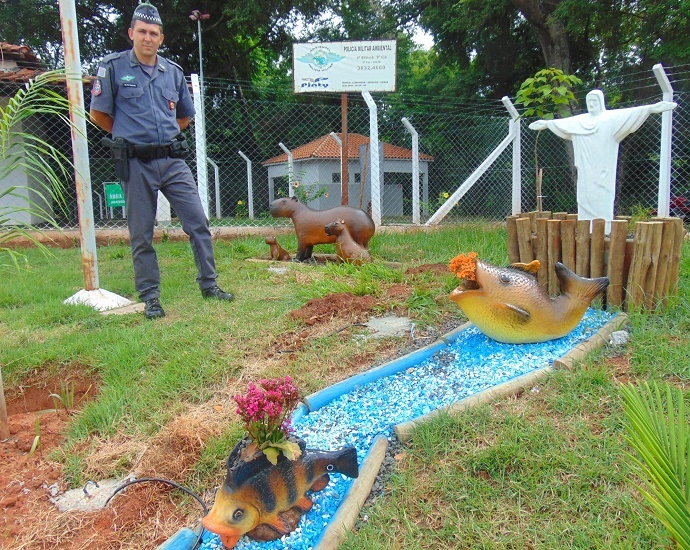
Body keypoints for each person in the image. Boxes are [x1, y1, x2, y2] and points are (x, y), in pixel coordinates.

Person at [90, 3, 234, 319]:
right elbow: (98, 113)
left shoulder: (174, 72)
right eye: (141, 31)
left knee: (198, 223)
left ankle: (209, 285)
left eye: (153, 33)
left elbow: (184, 115)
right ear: (131, 33)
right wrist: (128, 136)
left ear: (161, 37)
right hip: (136, 164)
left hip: (172, 161)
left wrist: (163, 138)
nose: (147, 38)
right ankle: (151, 298)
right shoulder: (113, 68)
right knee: (141, 234)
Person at [529, 89, 676, 233]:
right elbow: (564, 123)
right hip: (585, 170)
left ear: (600, 102)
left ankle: (603, 229)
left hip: (603, 169)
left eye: (594, 100)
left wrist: (651, 108)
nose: (591, 103)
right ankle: (586, 229)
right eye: (589, 101)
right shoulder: (581, 121)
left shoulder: (610, 119)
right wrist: (547, 124)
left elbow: (630, 114)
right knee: (584, 195)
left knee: (602, 195)